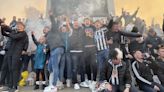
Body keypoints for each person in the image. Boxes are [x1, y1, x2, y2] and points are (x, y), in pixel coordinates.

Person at [1, 22, 29, 92]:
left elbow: (14, 36)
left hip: (17, 54)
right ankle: (10, 86)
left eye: (19, 26)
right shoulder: (15, 32)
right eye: (17, 25)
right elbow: (4, 33)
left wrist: (10, 30)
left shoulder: (23, 34)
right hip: (10, 53)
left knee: (14, 70)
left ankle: (15, 86)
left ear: (23, 27)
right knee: (10, 69)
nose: (18, 26)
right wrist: (2, 27)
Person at [44, 12, 64, 92]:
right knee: (49, 67)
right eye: (44, 29)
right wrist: (46, 49)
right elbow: (48, 47)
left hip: (58, 48)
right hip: (52, 52)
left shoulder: (53, 30)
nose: (45, 29)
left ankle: (54, 86)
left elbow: (54, 23)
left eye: (46, 28)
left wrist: (51, 16)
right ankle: (57, 81)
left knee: (55, 67)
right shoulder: (47, 36)